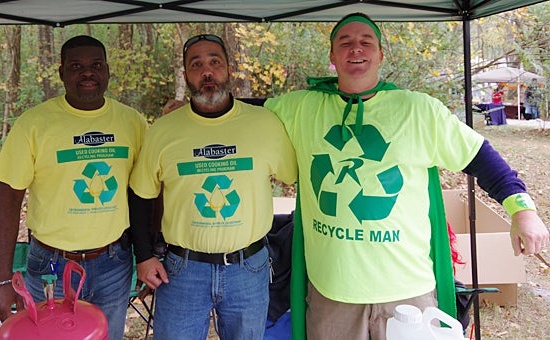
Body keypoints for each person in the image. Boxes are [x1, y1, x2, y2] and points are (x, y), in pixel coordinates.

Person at [262, 13, 549, 340]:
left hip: (406, 294)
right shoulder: (299, 108)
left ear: (381, 55)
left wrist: (523, 211)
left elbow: (480, 156)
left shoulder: (419, 111)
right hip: (332, 293)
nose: (356, 48)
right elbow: (243, 121)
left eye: (366, 41)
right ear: (332, 55)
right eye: (345, 42)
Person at [128, 34, 297, 339]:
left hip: (250, 268)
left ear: (229, 69)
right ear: (185, 74)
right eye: (197, 64)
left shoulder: (264, 124)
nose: (207, 71)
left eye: (215, 62)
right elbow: (141, 194)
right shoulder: (164, 130)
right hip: (182, 270)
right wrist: (143, 255)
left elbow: (294, 175)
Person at [0, 35, 147, 340]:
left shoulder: (132, 122)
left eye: (96, 65)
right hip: (51, 263)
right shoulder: (34, 124)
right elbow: (6, 202)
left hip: (114, 262)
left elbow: (146, 194)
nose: (87, 73)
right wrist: (3, 281)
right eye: (76, 66)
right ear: (61, 73)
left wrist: (149, 254)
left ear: (107, 71)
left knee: (106, 336)